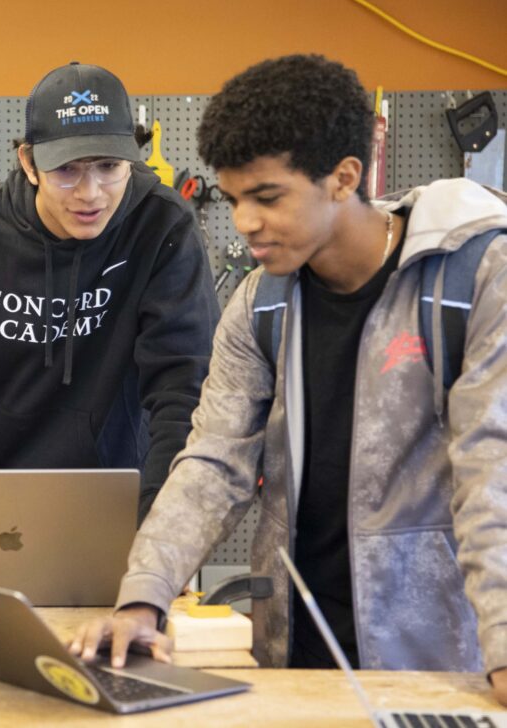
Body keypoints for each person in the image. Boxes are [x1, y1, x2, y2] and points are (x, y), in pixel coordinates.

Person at [72, 54, 507, 706]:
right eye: (234, 198)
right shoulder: (259, 304)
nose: (245, 221)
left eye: (267, 196)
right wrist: (143, 598)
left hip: (439, 668)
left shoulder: (474, 278)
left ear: (343, 177)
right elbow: (214, 462)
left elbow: (492, 475)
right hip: (292, 660)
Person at [0, 62, 220, 521]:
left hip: (112, 508)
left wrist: (163, 530)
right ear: (29, 163)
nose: (91, 193)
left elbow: (184, 390)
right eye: (67, 169)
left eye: (109, 167)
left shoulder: (162, 226)